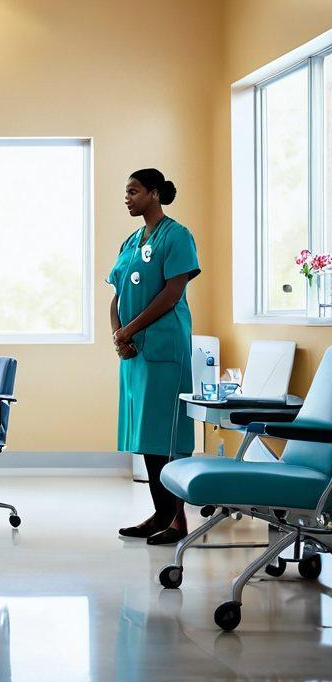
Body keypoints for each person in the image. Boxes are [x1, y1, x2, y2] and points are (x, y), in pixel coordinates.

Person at [108, 168, 200, 546]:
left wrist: (129, 331)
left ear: (154, 193)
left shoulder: (177, 236)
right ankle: (161, 514)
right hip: (135, 350)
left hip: (164, 348)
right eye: (126, 191)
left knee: (168, 436)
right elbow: (116, 294)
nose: (127, 198)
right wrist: (118, 334)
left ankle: (178, 521)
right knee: (146, 435)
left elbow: (172, 292)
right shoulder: (131, 241)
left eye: (133, 191)